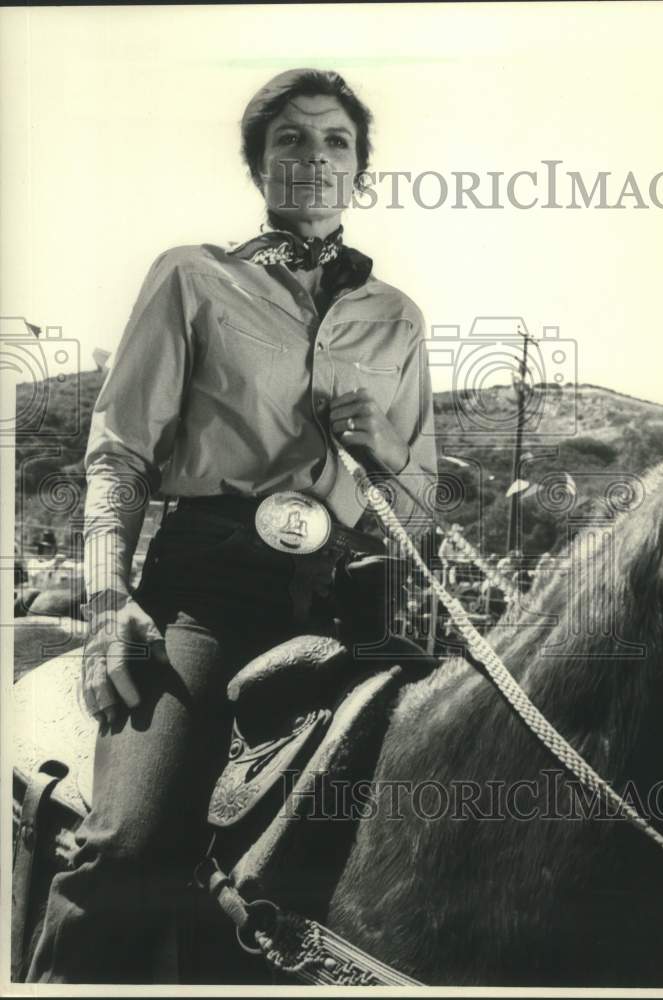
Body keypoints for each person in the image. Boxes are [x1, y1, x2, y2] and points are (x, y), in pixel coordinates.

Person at [26, 68, 437, 983]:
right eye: (289, 139)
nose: (313, 156)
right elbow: (119, 452)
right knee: (131, 847)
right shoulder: (192, 275)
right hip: (204, 592)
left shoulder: (396, 319)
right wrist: (108, 604)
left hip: (341, 608)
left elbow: (414, 515)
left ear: (360, 171)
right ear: (258, 164)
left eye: (335, 141)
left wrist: (386, 457)